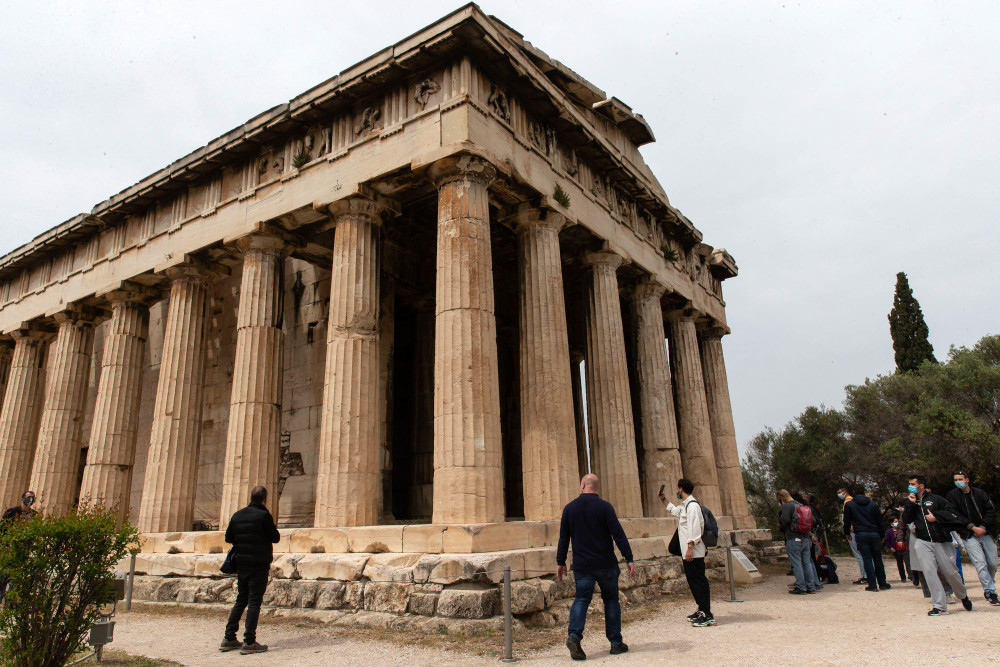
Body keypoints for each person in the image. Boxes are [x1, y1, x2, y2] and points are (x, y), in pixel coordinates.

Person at [556, 474, 636, 661]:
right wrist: (629, 558)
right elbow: (618, 534)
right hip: (606, 563)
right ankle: (616, 643)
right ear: (596, 487)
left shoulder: (570, 508)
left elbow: (563, 538)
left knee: (582, 599)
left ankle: (574, 636)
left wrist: (560, 562)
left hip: (582, 565)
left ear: (583, 485)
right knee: (611, 600)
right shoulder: (605, 507)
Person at [901, 474, 973, 616]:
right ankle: (939, 605)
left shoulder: (937, 500)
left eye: (912, 484)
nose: (910, 486)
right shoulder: (911, 502)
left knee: (950, 572)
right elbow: (907, 519)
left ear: (921, 486)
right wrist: (910, 504)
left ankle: (962, 595)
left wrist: (937, 517)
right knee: (929, 572)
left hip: (941, 541)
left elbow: (953, 515)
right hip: (922, 542)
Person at [221, 486, 280, 654]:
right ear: (265, 499)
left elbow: (228, 538)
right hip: (259, 564)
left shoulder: (237, 515)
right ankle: (249, 641)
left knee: (241, 600)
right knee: (254, 602)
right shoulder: (263, 515)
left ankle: (229, 637)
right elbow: (275, 538)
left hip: (242, 564)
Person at [659, 478, 715, 627]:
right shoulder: (685, 506)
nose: (677, 491)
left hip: (694, 552)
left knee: (699, 582)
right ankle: (701, 609)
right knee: (693, 581)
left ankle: (707, 614)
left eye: (678, 489)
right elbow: (674, 510)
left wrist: (690, 547)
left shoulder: (693, 507)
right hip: (689, 552)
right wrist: (663, 499)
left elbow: (696, 529)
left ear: (681, 489)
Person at [945, 471, 998, 606]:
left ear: (967, 480)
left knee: (992, 563)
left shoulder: (979, 494)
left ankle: (989, 583)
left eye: (960, 479)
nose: (958, 481)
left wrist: (983, 526)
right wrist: (972, 527)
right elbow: (954, 515)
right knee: (980, 563)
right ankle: (990, 591)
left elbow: (991, 510)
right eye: (956, 479)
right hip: (968, 535)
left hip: (986, 532)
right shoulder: (952, 496)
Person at [843, 486, 890, 591]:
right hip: (874, 533)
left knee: (867, 559)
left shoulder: (850, 505)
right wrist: (882, 535)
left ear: (854, 492)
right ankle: (882, 583)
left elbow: (847, 521)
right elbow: (879, 521)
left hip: (860, 533)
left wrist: (847, 533)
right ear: (864, 492)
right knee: (878, 559)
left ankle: (872, 584)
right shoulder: (873, 504)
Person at [778, 489, 820, 594]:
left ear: (782, 497)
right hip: (805, 538)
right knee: (807, 563)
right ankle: (811, 586)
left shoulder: (787, 506)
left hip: (794, 537)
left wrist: (782, 521)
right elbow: (813, 520)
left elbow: (785, 520)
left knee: (797, 564)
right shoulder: (801, 505)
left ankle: (801, 587)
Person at [837, 486, 868, 585]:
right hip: (861, 530)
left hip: (853, 530)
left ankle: (864, 575)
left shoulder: (848, 502)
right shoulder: (854, 501)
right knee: (863, 554)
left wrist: (847, 531)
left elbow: (847, 519)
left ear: (845, 492)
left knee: (859, 554)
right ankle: (866, 575)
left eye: (839, 492)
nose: (839, 495)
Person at [886, 516, 911, 583]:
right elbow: (887, 540)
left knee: (908, 562)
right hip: (897, 550)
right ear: (891, 523)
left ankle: (911, 575)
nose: (897, 523)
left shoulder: (902, 530)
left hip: (904, 548)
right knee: (900, 564)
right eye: (895, 522)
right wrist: (891, 547)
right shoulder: (889, 531)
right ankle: (903, 577)